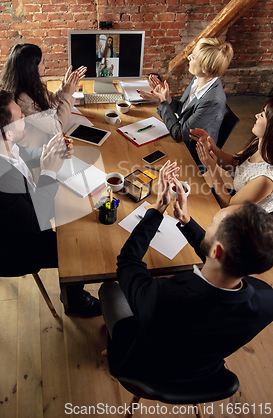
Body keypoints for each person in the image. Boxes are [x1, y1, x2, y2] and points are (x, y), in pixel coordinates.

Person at [99, 161, 273, 382]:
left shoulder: (162, 296)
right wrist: (186, 220)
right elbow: (223, 259)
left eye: (211, 224)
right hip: (204, 375)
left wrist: (158, 209)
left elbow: (127, 261)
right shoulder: (267, 300)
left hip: (147, 369)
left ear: (217, 251)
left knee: (109, 290)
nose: (208, 227)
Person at [0, 89, 101, 317]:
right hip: (7, 248)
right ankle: (74, 302)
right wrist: (49, 171)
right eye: (19, 118)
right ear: (6, 134)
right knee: (75, 248)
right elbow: (39, 220)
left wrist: (47, 153)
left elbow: (19, 152)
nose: (25, 118)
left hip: (9, 217)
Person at [137, 38, 234, 161]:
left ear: (204, 68)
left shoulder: (212, 101)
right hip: (181, 136)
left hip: (192, 153)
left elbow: (179, 135)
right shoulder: (200, 79)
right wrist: (167, 99)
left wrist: (163, 103)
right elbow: (183, 109)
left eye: (193, 57)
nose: (188, 57)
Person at [190, 97, 273, 210]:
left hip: (241, 219)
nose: (256, 115)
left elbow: (229, 205)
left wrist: (212, 168)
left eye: (262, 115)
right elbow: (234, 163)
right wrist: (212, 148)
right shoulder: (258, 143)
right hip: (232, 199)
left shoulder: (266, 179)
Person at [0, 43, 86, 145]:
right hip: (37, 148)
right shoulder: (23, 100)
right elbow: (57, 127)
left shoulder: (30, 84)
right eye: (43, 62)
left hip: (47, 139)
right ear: (32, 68)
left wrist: (64, 88)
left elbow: (51, 103)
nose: (45, 65)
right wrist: (67, 95)